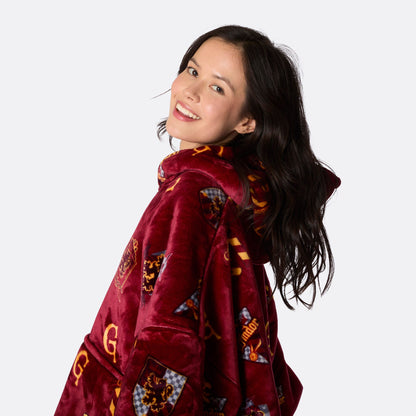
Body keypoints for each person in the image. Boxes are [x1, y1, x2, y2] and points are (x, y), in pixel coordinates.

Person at [55, 25, 340, 416]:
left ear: (247, 121)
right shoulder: (225, 195)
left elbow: (167, 346)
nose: (190, 91)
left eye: (217, 88)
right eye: (192, 70)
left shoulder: (191, 196)